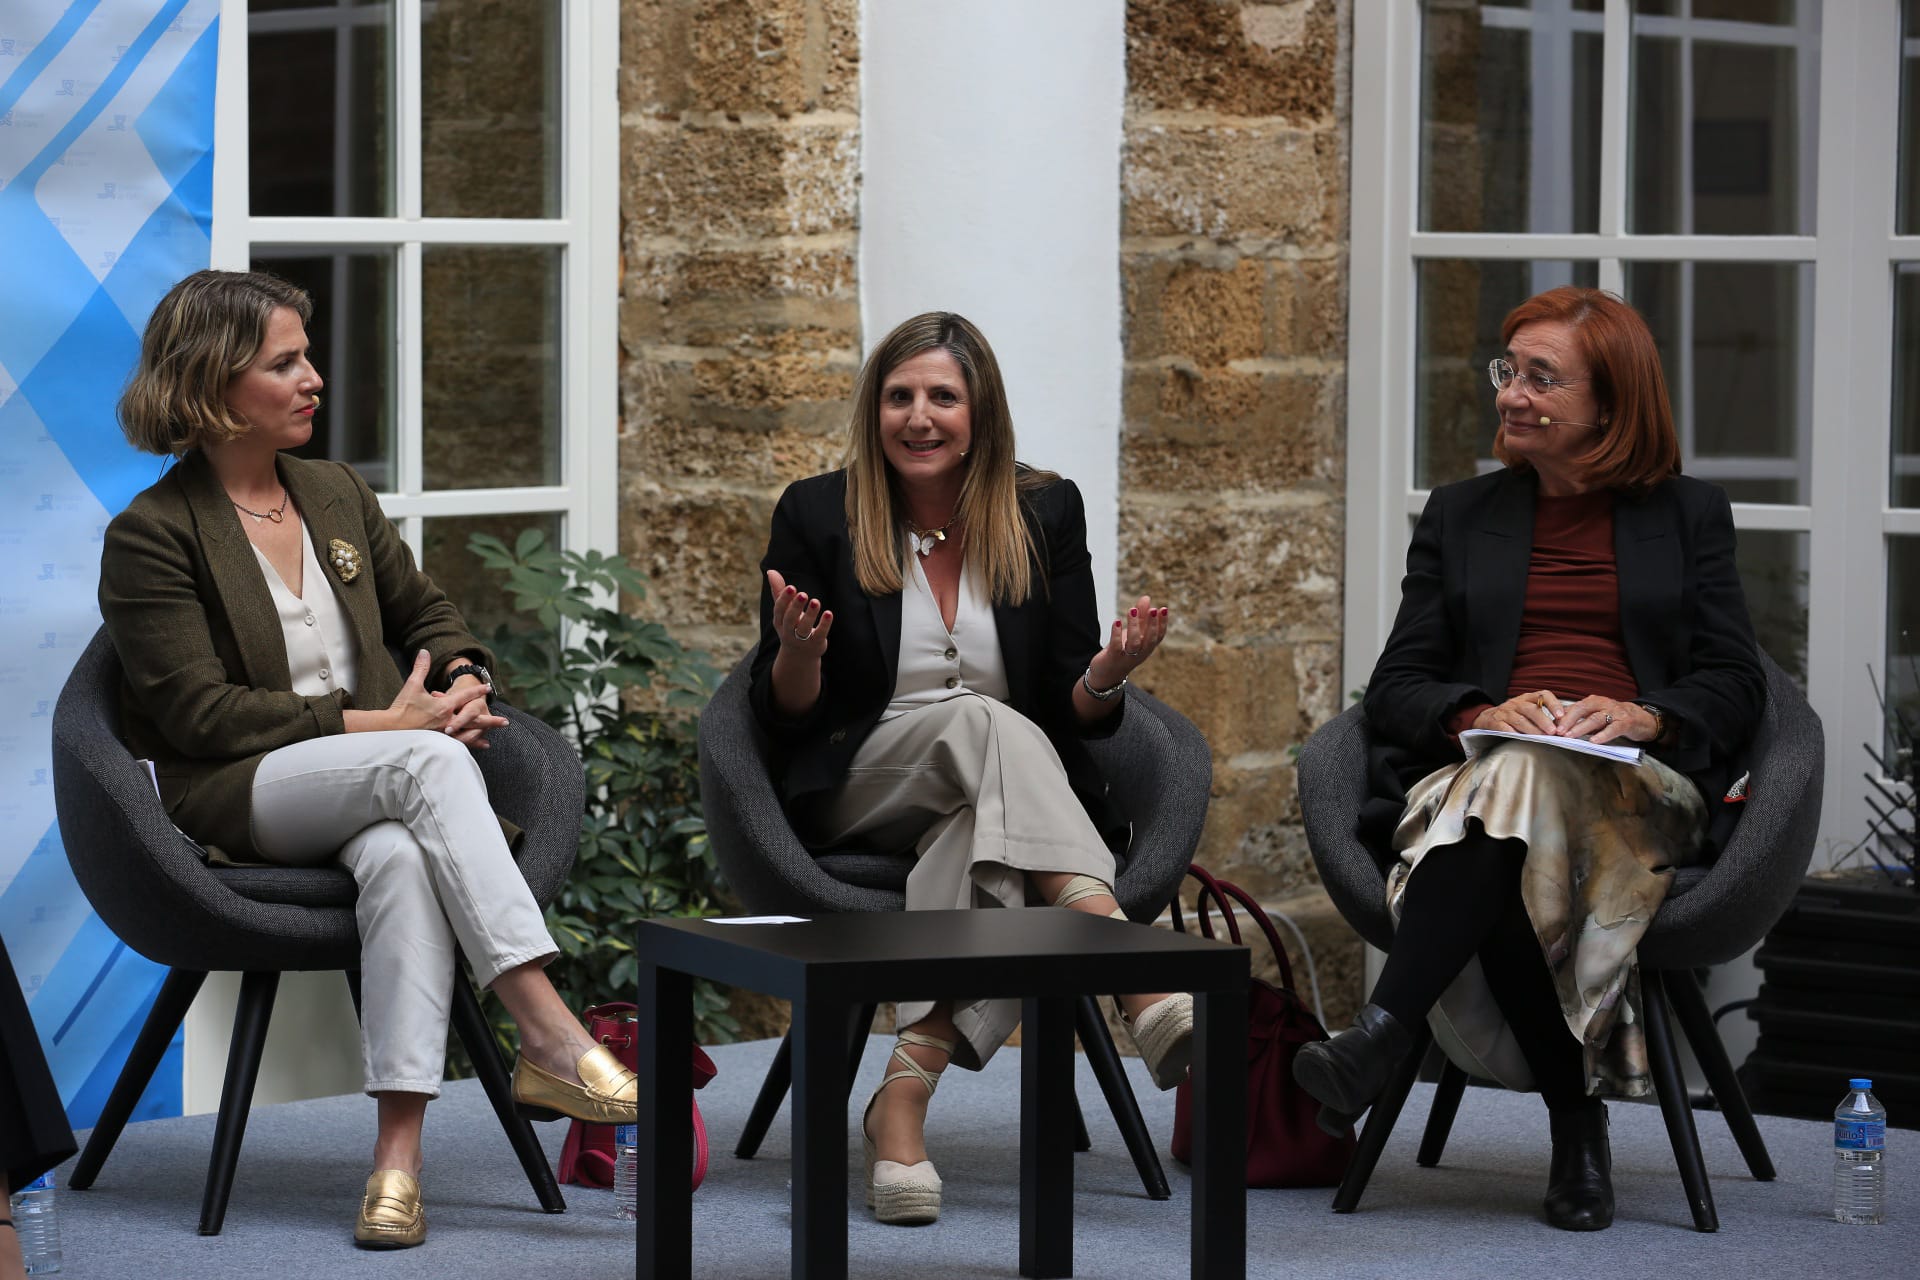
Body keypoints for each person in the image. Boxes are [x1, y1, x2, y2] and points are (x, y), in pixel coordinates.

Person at [97, 269, 633, 1250]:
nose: (314, 379)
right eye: (285, 362)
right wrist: (392, 724)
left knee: (398, 851)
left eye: (308, 356)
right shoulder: (151, 534)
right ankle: (548, 1028)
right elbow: (200, 713)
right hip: (239, 788)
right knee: (427, 769)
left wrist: (464, 680)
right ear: (217, 384)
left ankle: (396, 1165)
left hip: (372, 774)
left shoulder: (336, 493)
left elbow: (429, 614)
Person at [1294, 286, 1765, 1231]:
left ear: (1611, 402)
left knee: (1522, 794)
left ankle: (1384, 1035)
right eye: (1508, 371)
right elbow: (1397, 685)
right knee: (1516, 792)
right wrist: (1482, 708)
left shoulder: (1689, 516)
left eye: (1541, 377)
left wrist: (1645, 715)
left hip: (1637, 794)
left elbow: (1736, 681)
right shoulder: (1463, 515)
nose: (1511, 394)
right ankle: (1574, 1129)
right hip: (1483, 779)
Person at [750, 311, 1191, 1225]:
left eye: (942, 396)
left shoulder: (1044, 511)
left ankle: (901, 1105)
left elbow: (1073, 699)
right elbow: (784, 714)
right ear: (874, 410)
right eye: (899, 396)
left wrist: (1106, 676)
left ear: (980, 412)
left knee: (984, 840)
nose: (919, 416)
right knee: (980, 721)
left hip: (1002, 796)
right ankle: (1121, 959)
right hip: (861, 781)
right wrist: (798, 651)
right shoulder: (816, 513)